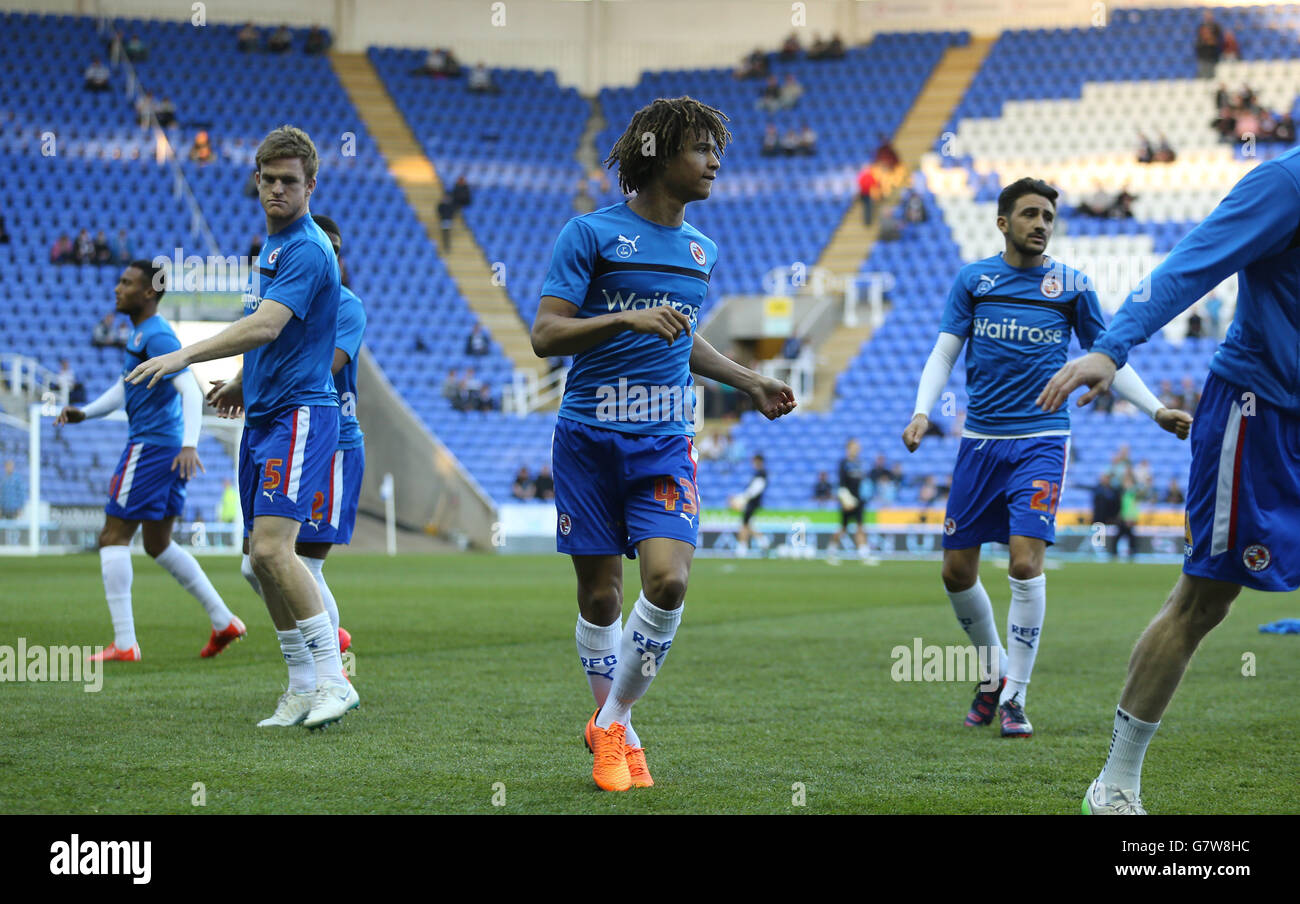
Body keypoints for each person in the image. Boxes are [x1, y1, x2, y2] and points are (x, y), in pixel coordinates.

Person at [530, 96, 796, 792]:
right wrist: (624, 321)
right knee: (599, 601)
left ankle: (612, 723)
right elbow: (545, 335)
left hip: (665, 438)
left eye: (717, 149)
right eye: (701, 148)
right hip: (588, 436)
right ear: (658, 154)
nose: (715, 161)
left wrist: (749, 382)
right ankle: (623, 739)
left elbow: (682, 335)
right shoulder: (588, 234)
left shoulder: (701, 249)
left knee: (670, 582)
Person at [1041, 148, 1300, 813]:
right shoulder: (1284, 183)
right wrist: (1112, 345)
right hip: (1260, 413)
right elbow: (1192, 264)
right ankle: (1116, 783)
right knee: (1206, 600)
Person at [904, 177, 1191, 741]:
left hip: (1042, 440)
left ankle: (1015, 697)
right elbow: (944, 352)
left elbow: (1110, 357)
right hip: (979, 443)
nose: (1041, 224)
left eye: (1048, 217)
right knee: (955, 571)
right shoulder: (974, 280)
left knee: (1024, 564)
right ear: (1003, 222)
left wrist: (1156, 410)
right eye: (1030, 214)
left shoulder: (1072, 286)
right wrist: (921, 411)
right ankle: (992, 673)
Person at [128, 125, 354, 730]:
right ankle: (302, 687)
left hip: (302, 412)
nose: (278, 189)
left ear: (311, 185)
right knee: (257, 563)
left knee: (274, 550)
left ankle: (334, 679)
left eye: (290, 181)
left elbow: (267, 327)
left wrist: (186, 355)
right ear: (256, 181)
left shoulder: (307, 248)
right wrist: (241, 383)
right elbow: (269, 334)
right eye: (269, 179)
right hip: (266, 412)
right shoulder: (273, 248)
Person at [57, 261, 244, 662]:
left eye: (126, 283)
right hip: (165, 447)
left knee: (112, 537)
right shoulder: (143, 334)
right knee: (158, 543)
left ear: (147, 293)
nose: (116, 289)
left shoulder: (157, 335)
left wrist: (190, 445)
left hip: (152, 447)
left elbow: (190, 389)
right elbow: (129, 385)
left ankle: (124, 643)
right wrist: (86, 412)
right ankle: (222, 619)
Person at [235, 214, 363, 670]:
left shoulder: (346, 306)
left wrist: (255, 383)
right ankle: (324, 645)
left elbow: (318, 367)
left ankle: (332, 664)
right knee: (255, 563)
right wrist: (240, 383)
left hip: (329, 442)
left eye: (330, 250)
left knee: (300, 562)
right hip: (279, 427)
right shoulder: (279, 299)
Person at [829, 439, 867, 556]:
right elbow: (841, 484)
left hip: (858, 499)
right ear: (849, 448)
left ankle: (863, 552)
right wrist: (845, 500)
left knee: (860, 526)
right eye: (854, 447)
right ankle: (832, 549)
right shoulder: (844, 463)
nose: (857, 449)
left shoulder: (859, 463)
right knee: (843, 527)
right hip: (847, 499)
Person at [733, 453, 767, 556]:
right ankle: (763, 543)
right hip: (752, 502)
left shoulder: (761, 473)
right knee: (747, 524)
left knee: (744, 524)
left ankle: (742, 548)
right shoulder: (759, 473)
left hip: (753, 502)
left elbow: (755, 489)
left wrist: (742, 498)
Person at [1194, 10, 1223, 79]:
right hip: (1202, 55)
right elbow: (1198, 40)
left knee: (1212, 75)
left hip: (1213, 55)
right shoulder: (1201, 26)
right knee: (1202, 75)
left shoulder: (1216, 27)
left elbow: (1218, 39)